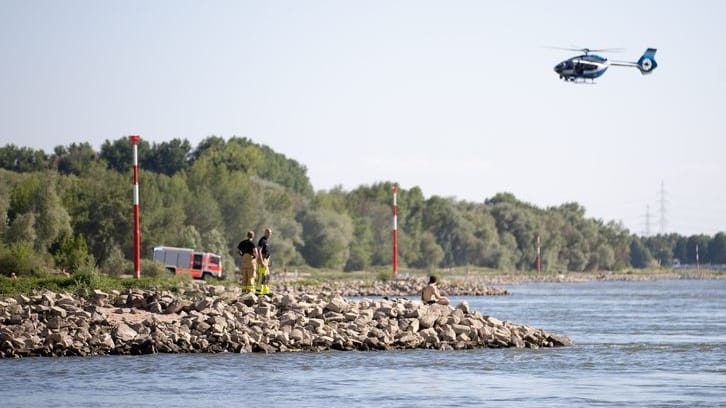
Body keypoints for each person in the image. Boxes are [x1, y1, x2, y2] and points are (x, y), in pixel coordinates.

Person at [255, 228, 272, 296]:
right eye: (268, 233)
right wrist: (261, 261)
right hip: (263, 260)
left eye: (270, 233)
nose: (269, 234)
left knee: (267, 276)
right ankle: (258, 291)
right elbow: (259, 251)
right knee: (261, 276)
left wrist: (268, 262)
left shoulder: (266, 241)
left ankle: (265, 291)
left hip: (266, 261)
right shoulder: (262, 240)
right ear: (265, 233)